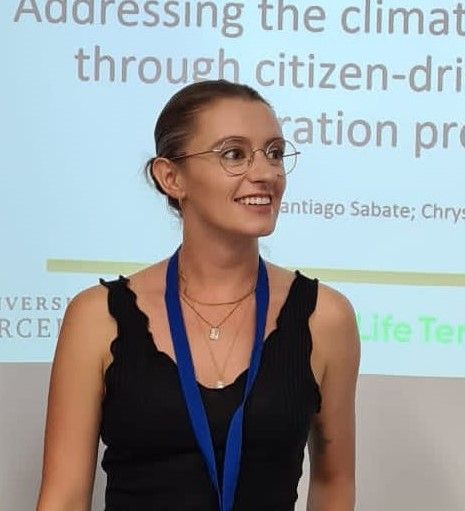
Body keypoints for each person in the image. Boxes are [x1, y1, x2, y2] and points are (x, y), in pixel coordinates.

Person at [36, 80, 360, 511]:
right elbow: (63, 497)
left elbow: (334, 483)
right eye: (234, 154)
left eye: (275, 153)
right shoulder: (98, 318)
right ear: (170, 177)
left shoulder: (324, 317)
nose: (266, 173)